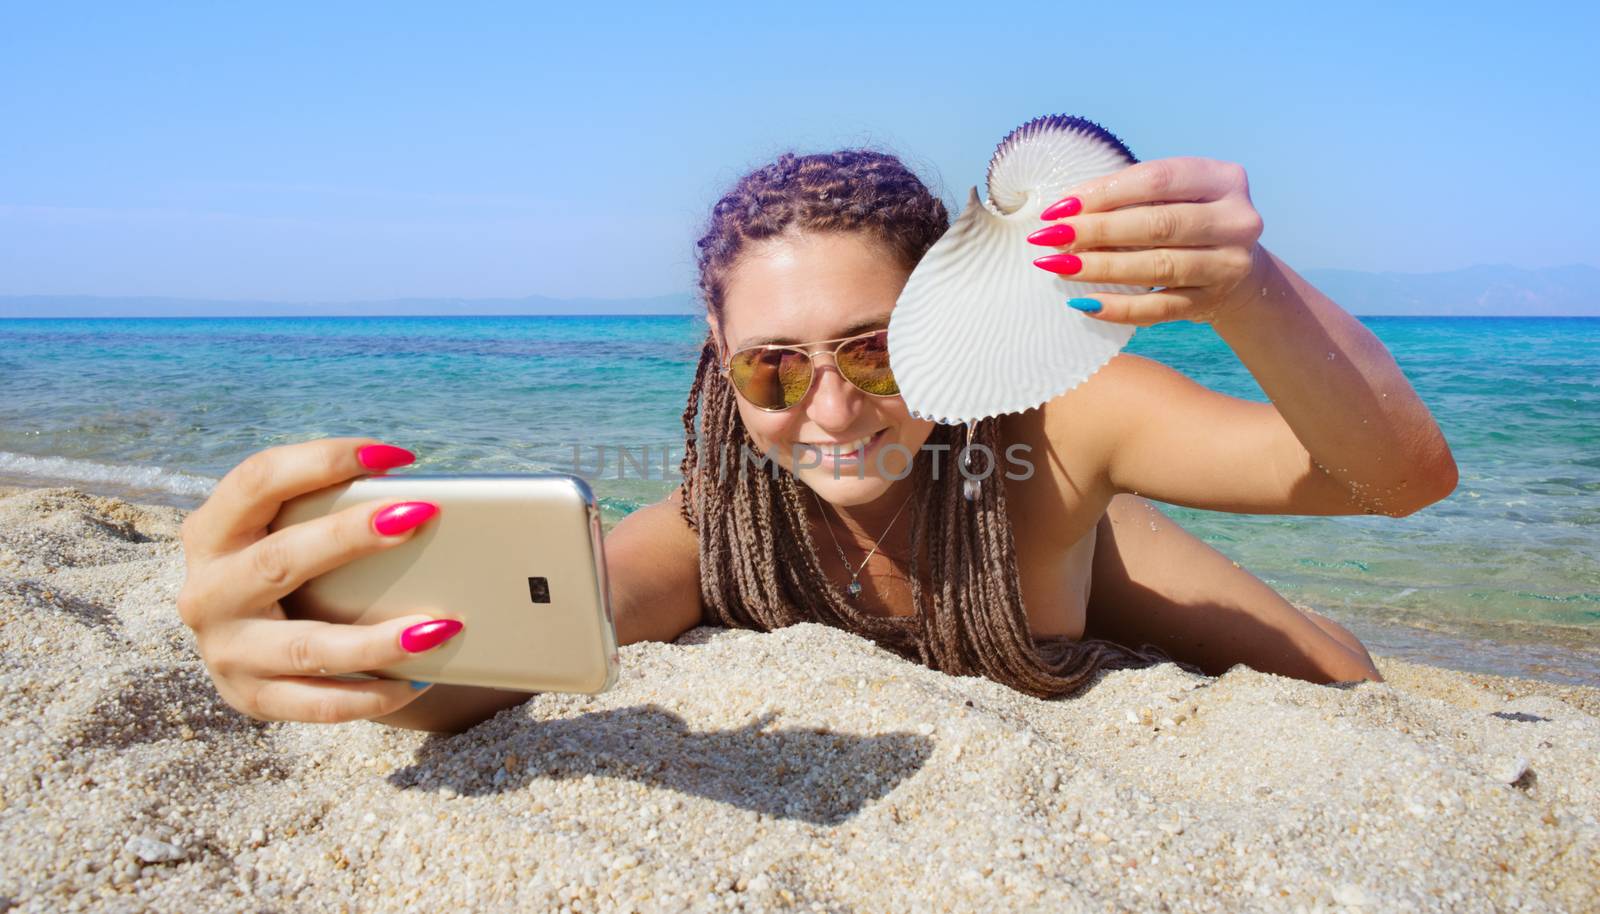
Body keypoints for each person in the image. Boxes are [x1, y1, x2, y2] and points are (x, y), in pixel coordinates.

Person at [176, 150, 1457, 733]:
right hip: (1038, 574)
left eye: (876, 346)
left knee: (1341, 674)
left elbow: (1397, 480)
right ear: (719, 370)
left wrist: (1246, 289)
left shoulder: (1059, 424)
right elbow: (524, 651)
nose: (832, 407)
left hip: (1054, 520)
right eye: (774, 368)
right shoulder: (716, 523)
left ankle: (1097, 552)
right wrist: (338, 657)